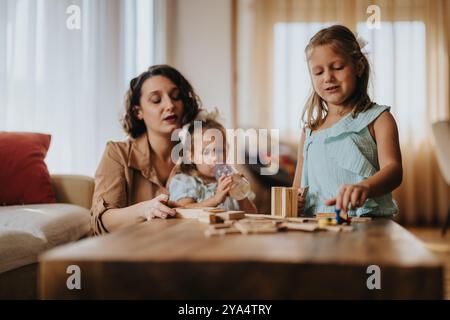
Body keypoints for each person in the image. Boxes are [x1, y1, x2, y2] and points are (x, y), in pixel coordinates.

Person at [293, 25, 403, 217]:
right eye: (318, 72)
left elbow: (393, 170)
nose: (328, 77)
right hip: (317, 231)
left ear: (358, 67)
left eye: (337, 67)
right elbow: (297, 188)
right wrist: (295, 201)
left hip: (368, 226)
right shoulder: (309, 132)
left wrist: (365, 187)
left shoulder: (379, 119)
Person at [90, 65, 201, 235]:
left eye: (176, 96)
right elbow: (102, 220)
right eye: (156, 100)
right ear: (138, 111)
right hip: (132, 253)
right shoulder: (117, 153)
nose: (170, 105)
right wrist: (144, 209)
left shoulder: (199, 154)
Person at [168, 112, 257, 213]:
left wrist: (240, 194)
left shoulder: (230, 178)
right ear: (190, 156)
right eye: (206, 152)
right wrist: (215, 199)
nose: (215, 157)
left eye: (220, 150)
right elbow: (183, 209)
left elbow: (253, 214)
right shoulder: (185, 181)